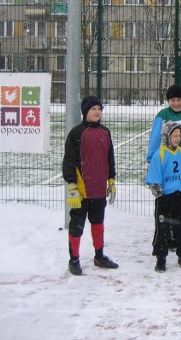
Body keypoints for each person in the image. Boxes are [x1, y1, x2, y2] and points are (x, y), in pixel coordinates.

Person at [62, 95, 118, 276]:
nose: (97, 112)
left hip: (99, 189)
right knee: (77, 225)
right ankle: (74, 259)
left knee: (98, 223)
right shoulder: (76, 134)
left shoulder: (105, 132)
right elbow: (69, 160)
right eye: (93, 109)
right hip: (81, 190)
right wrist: (71, 184)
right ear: (85, 111)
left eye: (99, 109)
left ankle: (99, 256)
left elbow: (110, 159)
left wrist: (111, 180)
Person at [146, 84, 181, 251]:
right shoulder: (163, 115)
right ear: (168, 101)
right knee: (166, 206)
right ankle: (166, 237)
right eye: (173, 100)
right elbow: (155, 137)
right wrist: (152, 158)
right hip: (168, 168)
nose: (176, 103)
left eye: (180, 100)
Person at [145, 122, 181, 271]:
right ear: (167, 136)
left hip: (180, 198)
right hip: (165, 199)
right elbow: (154, 179)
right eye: (175, 135)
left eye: (180, 135)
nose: (178, 138)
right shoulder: (159, 154)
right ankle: (161, 258)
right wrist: (160, 195)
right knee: (162, 228)